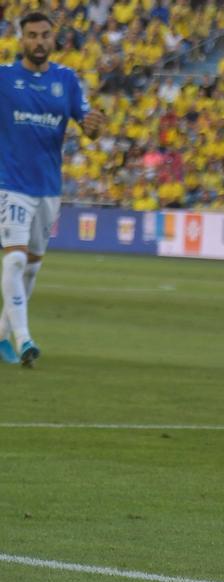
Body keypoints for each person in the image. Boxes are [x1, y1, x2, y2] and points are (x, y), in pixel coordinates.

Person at [0, 13, 106, 367]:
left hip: (48, 188)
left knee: (30, 268)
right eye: (32, 35)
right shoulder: (4, 78)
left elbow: (89, 128)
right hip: (10, 184)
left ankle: (2, 334)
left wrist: (94, 127)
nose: (39, 42)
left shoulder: (67, 80)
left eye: (45, 35)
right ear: (21, 39)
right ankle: (24, 339)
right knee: (13, 258)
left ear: (53, 38)